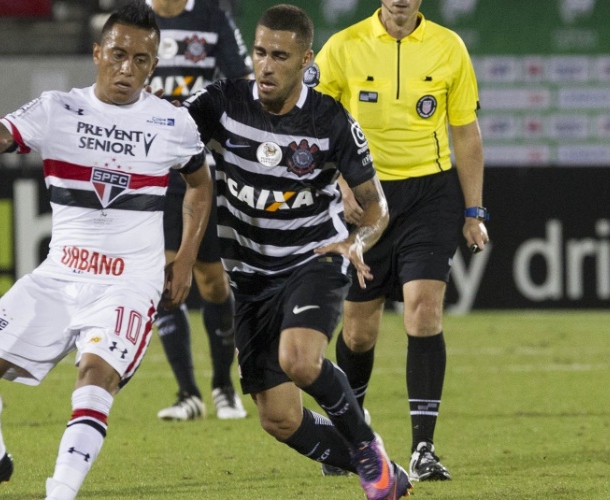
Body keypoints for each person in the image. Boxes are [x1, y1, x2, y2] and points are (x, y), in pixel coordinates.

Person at [0, 3, 212, 500]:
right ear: (97, 53)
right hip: (59, 275)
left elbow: (200, 185)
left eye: (140, 59)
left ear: (153, 66)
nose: (127, 68)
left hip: (128, 285)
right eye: (118, 54)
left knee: (95, 379)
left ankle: (61, 492)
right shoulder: (57, 110)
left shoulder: (171, 122)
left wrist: (183, 259)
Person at [182, 5, 410, 499]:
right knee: (279, 418)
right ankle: (383, 469)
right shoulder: (222, 102)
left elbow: (376, 208)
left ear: (306, 61)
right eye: (260, 52)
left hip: (313, 258)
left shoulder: (329, 119)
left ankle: (366, 449)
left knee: (300, 360)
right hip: (251, 278)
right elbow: (165, 133)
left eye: (280, 57)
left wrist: (354, 242)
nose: (266, 66)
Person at [312, 0, 490, 483]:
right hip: (366, 197)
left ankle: (423, 449)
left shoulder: (449, 47)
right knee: (358, 332)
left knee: (423, 311)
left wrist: (474, 211)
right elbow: (314, 123)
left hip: (429, 197)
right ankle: (353, 436)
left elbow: (465, 132)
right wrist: (341, 181)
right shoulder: (343, 46)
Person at [148, 0, 253, 422]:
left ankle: (223, 386)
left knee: (211, 279)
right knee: (165, 275)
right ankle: (187, 394)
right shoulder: (135, 17)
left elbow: (242, 83)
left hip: (200, 165)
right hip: (151, 167)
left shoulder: (212, 17)